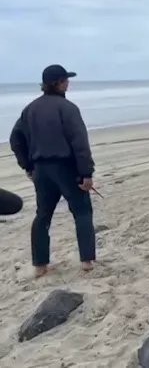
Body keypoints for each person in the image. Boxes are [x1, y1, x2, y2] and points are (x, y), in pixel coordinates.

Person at [9, 64, 96, 277]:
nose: (68, 83)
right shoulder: (68, 108)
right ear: (58, 83)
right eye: (66, 80)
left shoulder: (30, 109)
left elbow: (15, 139)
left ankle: (40, 265)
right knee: (82, 211)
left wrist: (28, 166)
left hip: (41, 169)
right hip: (66, 168)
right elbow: (79, 143)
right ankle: (87, 261)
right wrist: (86, 173)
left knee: (43, 215)